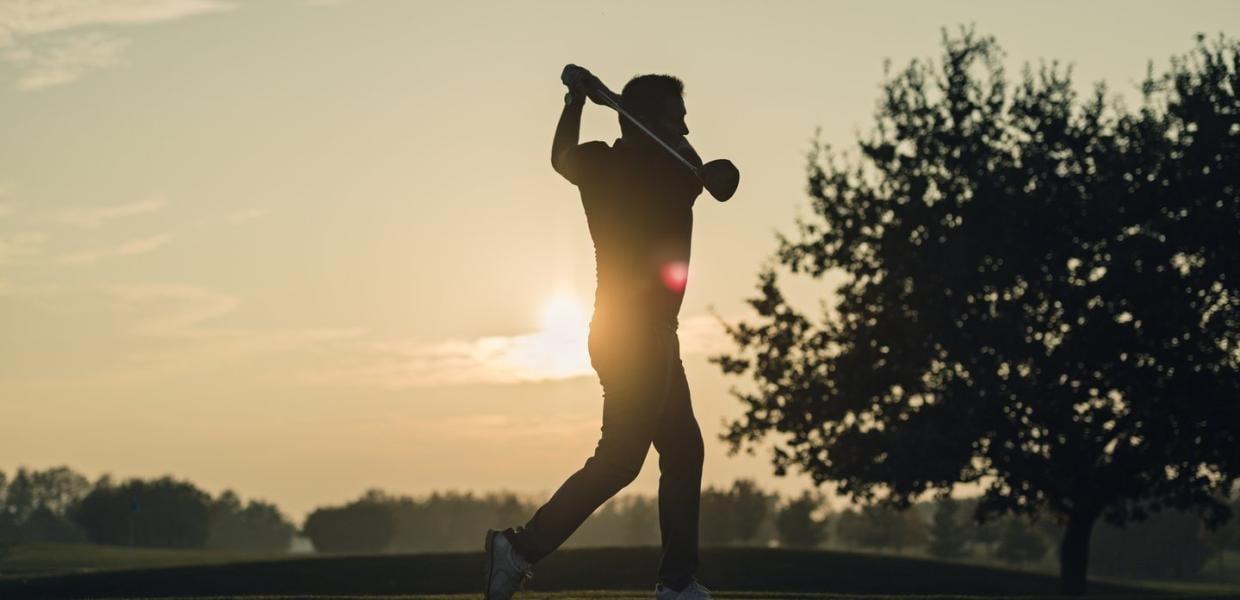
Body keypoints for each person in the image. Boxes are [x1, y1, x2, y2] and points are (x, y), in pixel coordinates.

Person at [482, 64, 716, 600]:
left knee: (682, 451)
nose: (685, 128)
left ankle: (677, 583)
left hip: (632, 332)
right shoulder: (669, 168)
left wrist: (576, 103)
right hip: (638, 336)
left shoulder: (614, 163)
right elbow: (695, 167)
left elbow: (563, 155)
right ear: (650, 119)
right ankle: (518, 548)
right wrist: (584, 98)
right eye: (676, 117)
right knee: (621, 460)